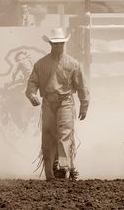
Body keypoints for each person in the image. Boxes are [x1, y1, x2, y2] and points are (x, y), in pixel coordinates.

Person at [25, 27, 89, 180]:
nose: (59, 46)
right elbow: (31, 84)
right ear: (51, 44)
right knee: (48, 136)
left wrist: (84, 105)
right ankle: (50, 173)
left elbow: (81, 86)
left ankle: (63, 166)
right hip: (48, 102)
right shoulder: (41, 64)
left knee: (64, 132)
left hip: (65, 101)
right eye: (56, 43)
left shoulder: (72, 64)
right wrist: (31, 94)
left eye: (61, 43)